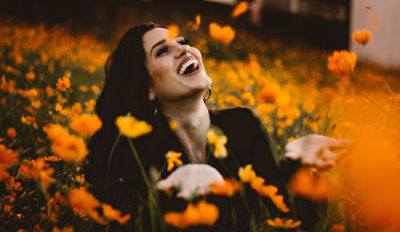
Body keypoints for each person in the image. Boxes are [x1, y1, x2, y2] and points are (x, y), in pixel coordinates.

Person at [85, 23, 343, 232]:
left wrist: (298, 163)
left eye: (183, 42)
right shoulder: (138, 155)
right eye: (162, 51)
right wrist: (165, 200)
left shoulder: (243, 126)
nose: (184, 50)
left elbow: (292, 219)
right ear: (147, 88)